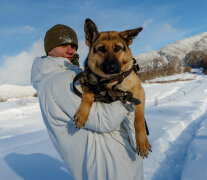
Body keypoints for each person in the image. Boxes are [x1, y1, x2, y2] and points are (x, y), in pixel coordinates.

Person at [31, 24, 143, 180]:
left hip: (102, 165)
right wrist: (128, 95)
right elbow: (104, 120)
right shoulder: (61, 80)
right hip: (110, 166)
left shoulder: (53, 78)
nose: (71, 50)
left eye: (73, 46)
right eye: (63, 45)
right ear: (49, 48)